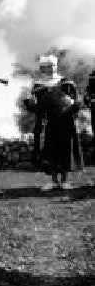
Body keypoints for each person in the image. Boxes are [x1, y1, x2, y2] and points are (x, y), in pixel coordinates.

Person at [25, 55, 84, 191]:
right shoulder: (38, 86)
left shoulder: (66, 83)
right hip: (48, 122)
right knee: (50, 151)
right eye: (47, 66)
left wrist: (74, 103)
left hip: (65, 121)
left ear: (56, 66)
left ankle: (64, 180)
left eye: (53, 66)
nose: (51, 68)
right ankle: (53, 180)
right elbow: (36, 107)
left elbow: (76, 101)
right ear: (43, 68)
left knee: (65, 149)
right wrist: (30, 103)